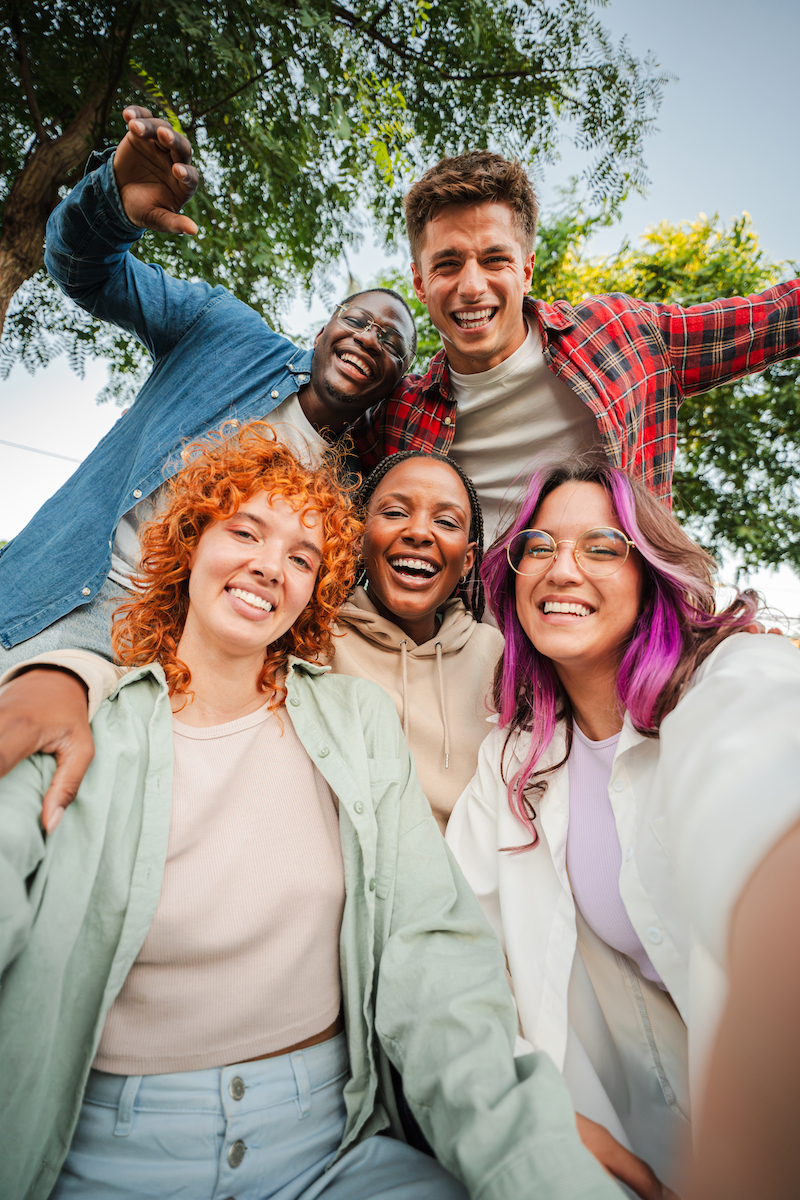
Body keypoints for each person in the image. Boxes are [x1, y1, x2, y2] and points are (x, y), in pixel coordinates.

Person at [0, 424, 629, 1200]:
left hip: (334, 1134)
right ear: (189, 543)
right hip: (108, 1145)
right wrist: (55, 668)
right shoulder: (85, 723)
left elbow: (430, 954)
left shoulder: (365, 715)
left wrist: (531, 1153)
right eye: (244, 532)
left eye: (301, 556)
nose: (271, 564)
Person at [444, 457, 800, 1191]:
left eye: (601, 548)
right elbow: (458, 956)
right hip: (638, 1133)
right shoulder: (512, 762)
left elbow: (773, 790)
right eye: (537, 548)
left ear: (651, 575)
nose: (560, 570)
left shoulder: (733, 679)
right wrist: (532, 1108)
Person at [0, 105, 416, 668]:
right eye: (359, 321)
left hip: (197, 666)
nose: (370, 339)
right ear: (323, 331)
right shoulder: (225, 332)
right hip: (73, 603)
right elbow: (85, 271)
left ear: (398, 379)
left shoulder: (352, 486)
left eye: (391, 343)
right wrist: (114, 207)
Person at [349, 150, 800, 542]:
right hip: (472, 638)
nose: (471, 286)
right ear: (420, 282)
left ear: (526, 272)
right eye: (447, 264)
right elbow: (309, 451)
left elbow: (774, 320)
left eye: (494, 260)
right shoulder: (399, 412)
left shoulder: (618, 336)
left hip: (630, 633)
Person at [329, 451, 503, 831]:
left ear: (470, 559)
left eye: (445, 521)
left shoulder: (499, 658)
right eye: (394, 513)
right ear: (359, 536)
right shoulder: (317, 644)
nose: (420, 532)